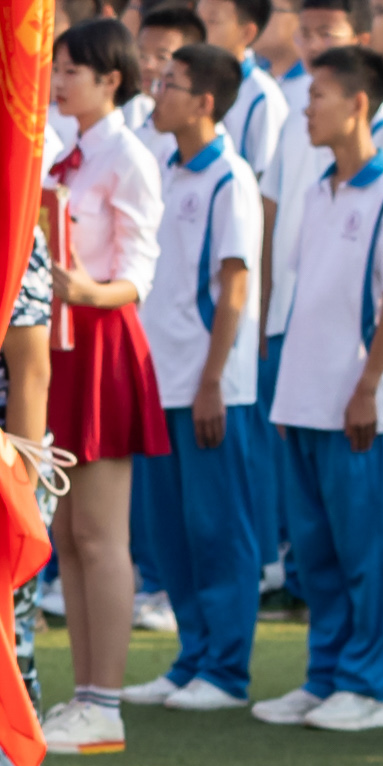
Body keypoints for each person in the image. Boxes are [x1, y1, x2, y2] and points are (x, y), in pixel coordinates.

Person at [259, 46, 383, 731]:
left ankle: (366, 686)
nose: (305, 108)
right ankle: (324, 674)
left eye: (318, 96)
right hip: (303, 394)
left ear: (357, 104)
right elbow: (310, 292)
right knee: (316, 550)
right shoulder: (316, 188)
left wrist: (367, 387)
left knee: (366, 552)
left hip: (355, 403)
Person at [38, 21, 169, 753]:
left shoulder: (128, 157)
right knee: (67, 533)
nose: (59, 83)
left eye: (73, 71)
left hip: (101, 343)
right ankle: (85, 694)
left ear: (110, 79)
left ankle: (104, 701)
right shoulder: (70, 152)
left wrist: (88, 290)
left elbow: (138, 274)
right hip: (60, 343)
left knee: (98, 533)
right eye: (57, 69)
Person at [133, 43, 267, 712]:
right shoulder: (161, 163)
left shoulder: (229, 180)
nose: (157, 92)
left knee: (218, 528)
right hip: (158, 376)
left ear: (204, 102)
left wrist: (213, 378)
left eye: (170, 84)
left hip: (209, 384)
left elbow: (233, 284)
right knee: (169, 530)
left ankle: (226, 669)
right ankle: (190, 656)